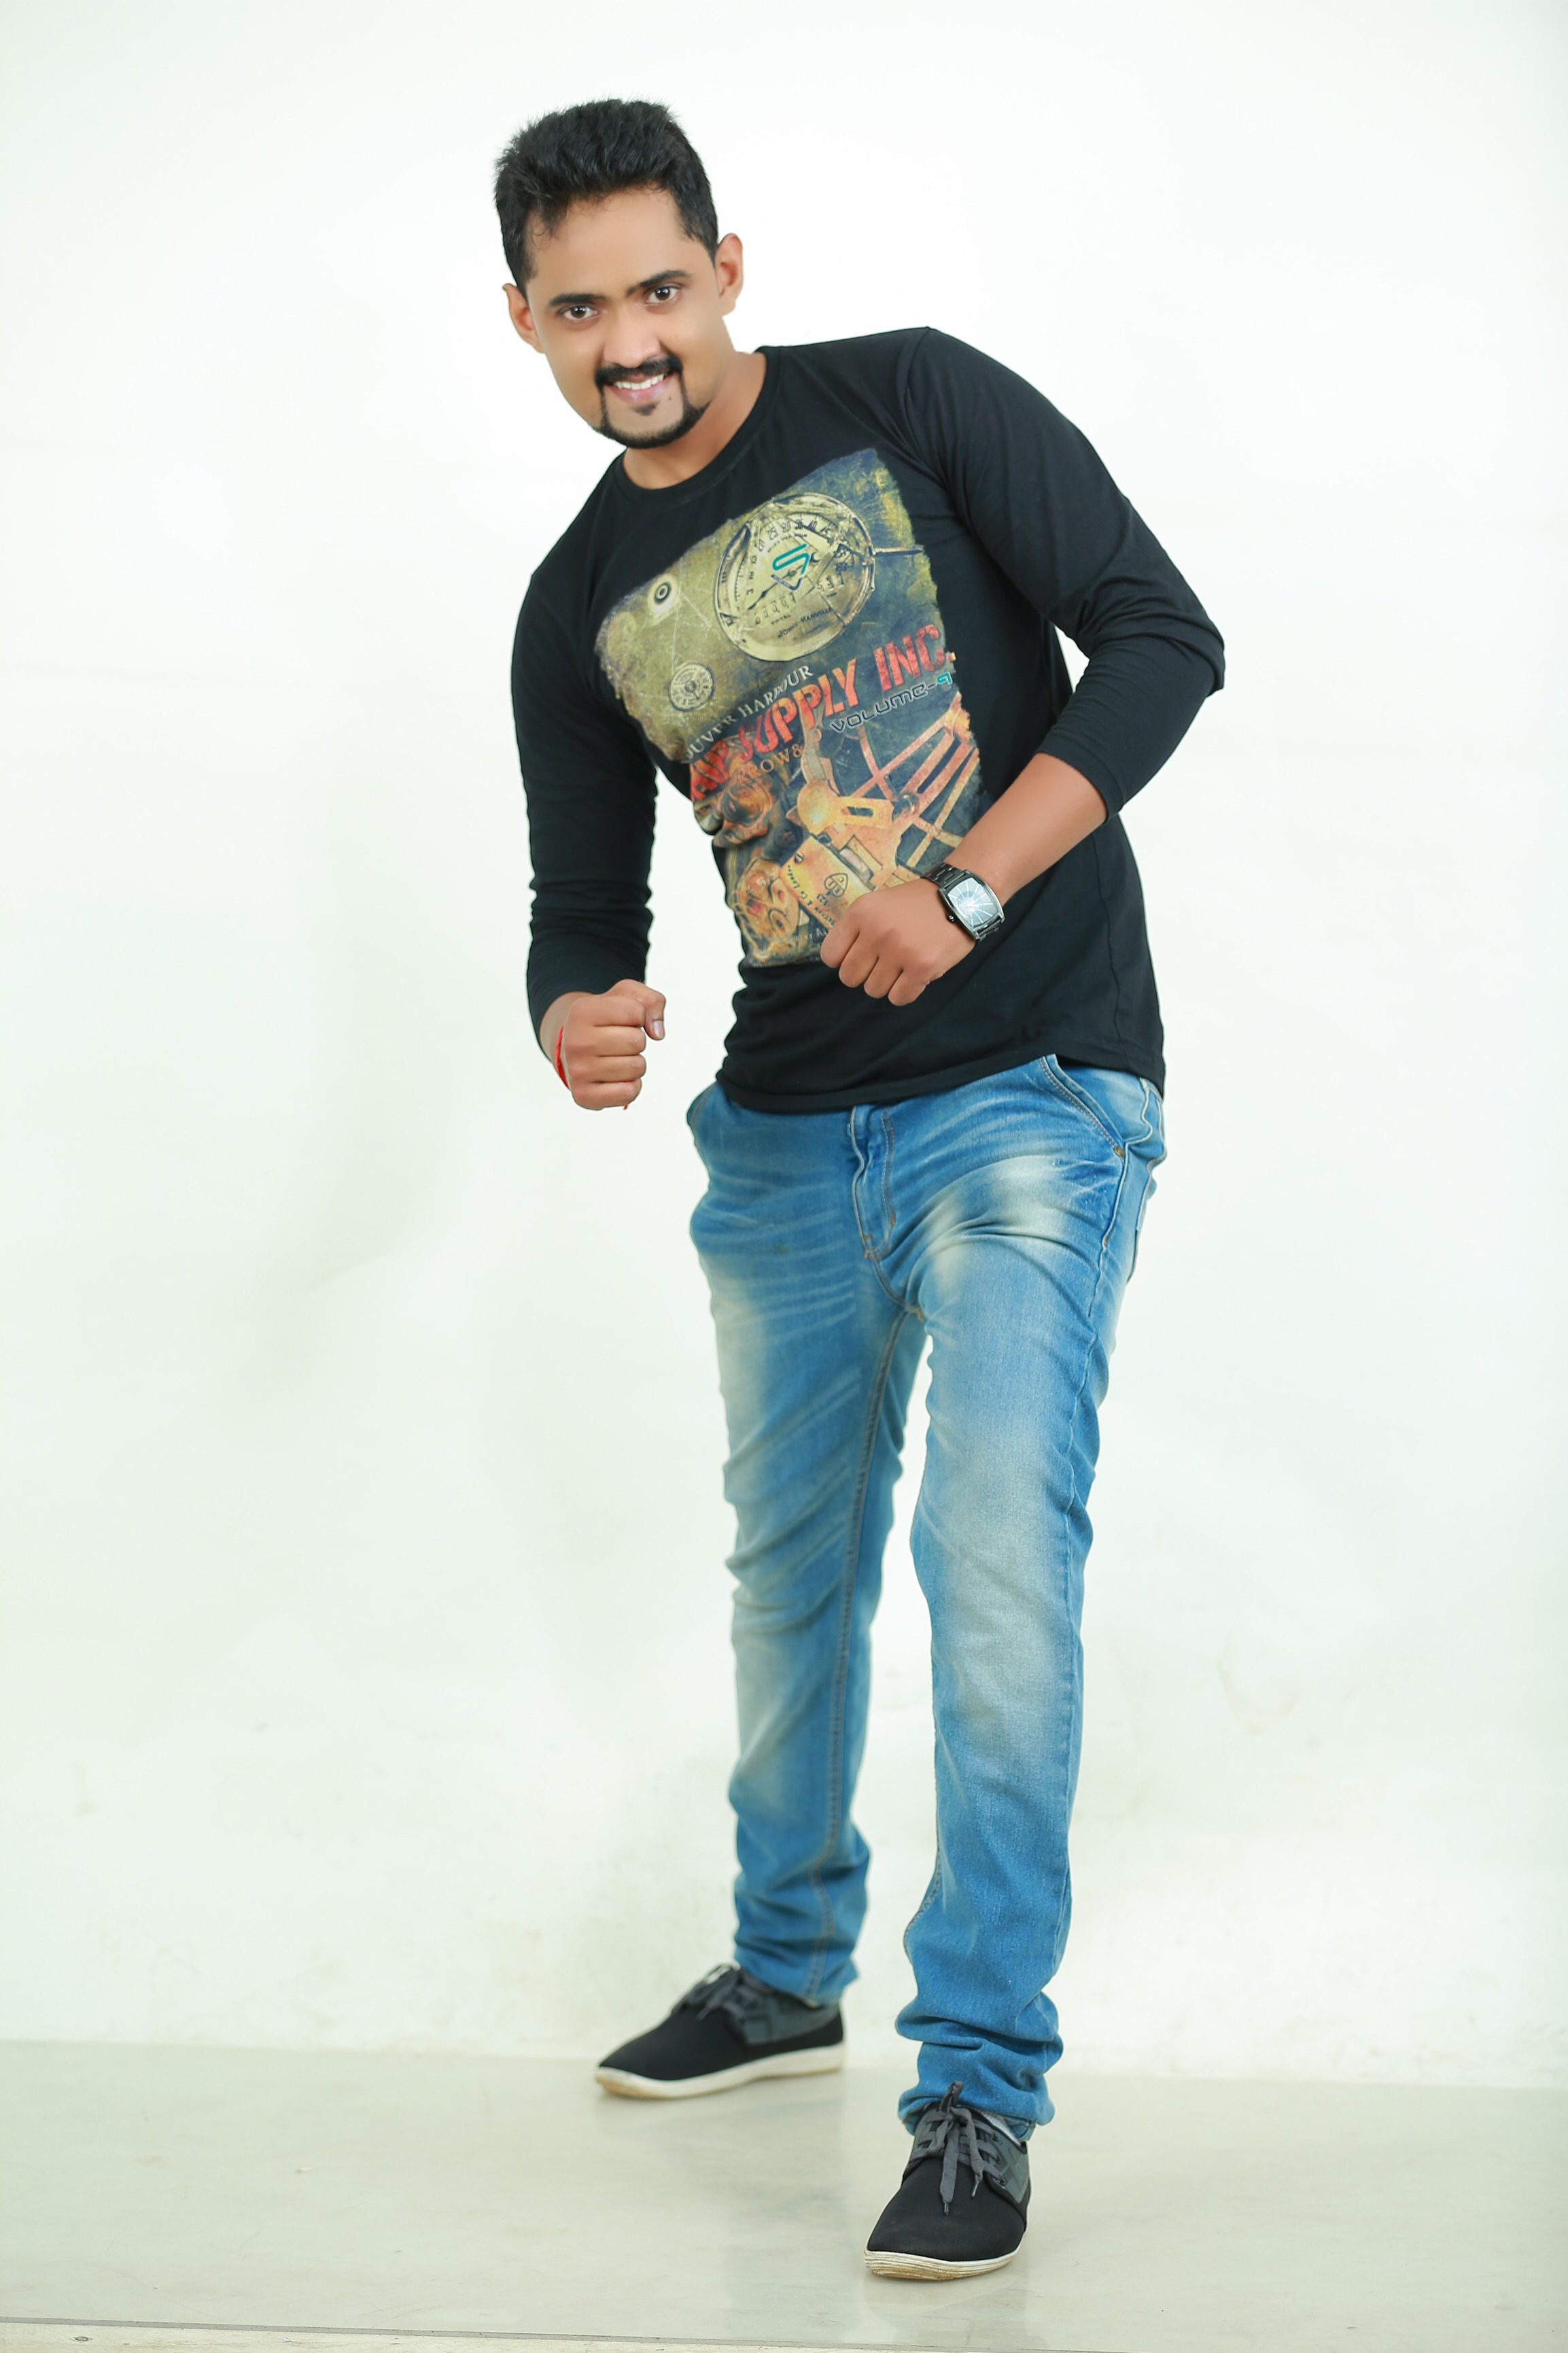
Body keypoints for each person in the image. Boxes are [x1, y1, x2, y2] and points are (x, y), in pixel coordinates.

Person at [495, 97, 1223, 2282]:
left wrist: (968, 887)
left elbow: (1160, 639)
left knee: (989, 1565)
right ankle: (782, 1968)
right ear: (523, 323)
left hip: (1027, 1090)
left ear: (727, 269)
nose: (632, 341)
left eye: (660, 288)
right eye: (582, 310)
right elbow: (577, 910)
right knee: (785, 1570)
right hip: (785, 1135)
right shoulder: (573, 603)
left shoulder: (911, 398)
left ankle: (976, 2088)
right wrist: (573, 1013)